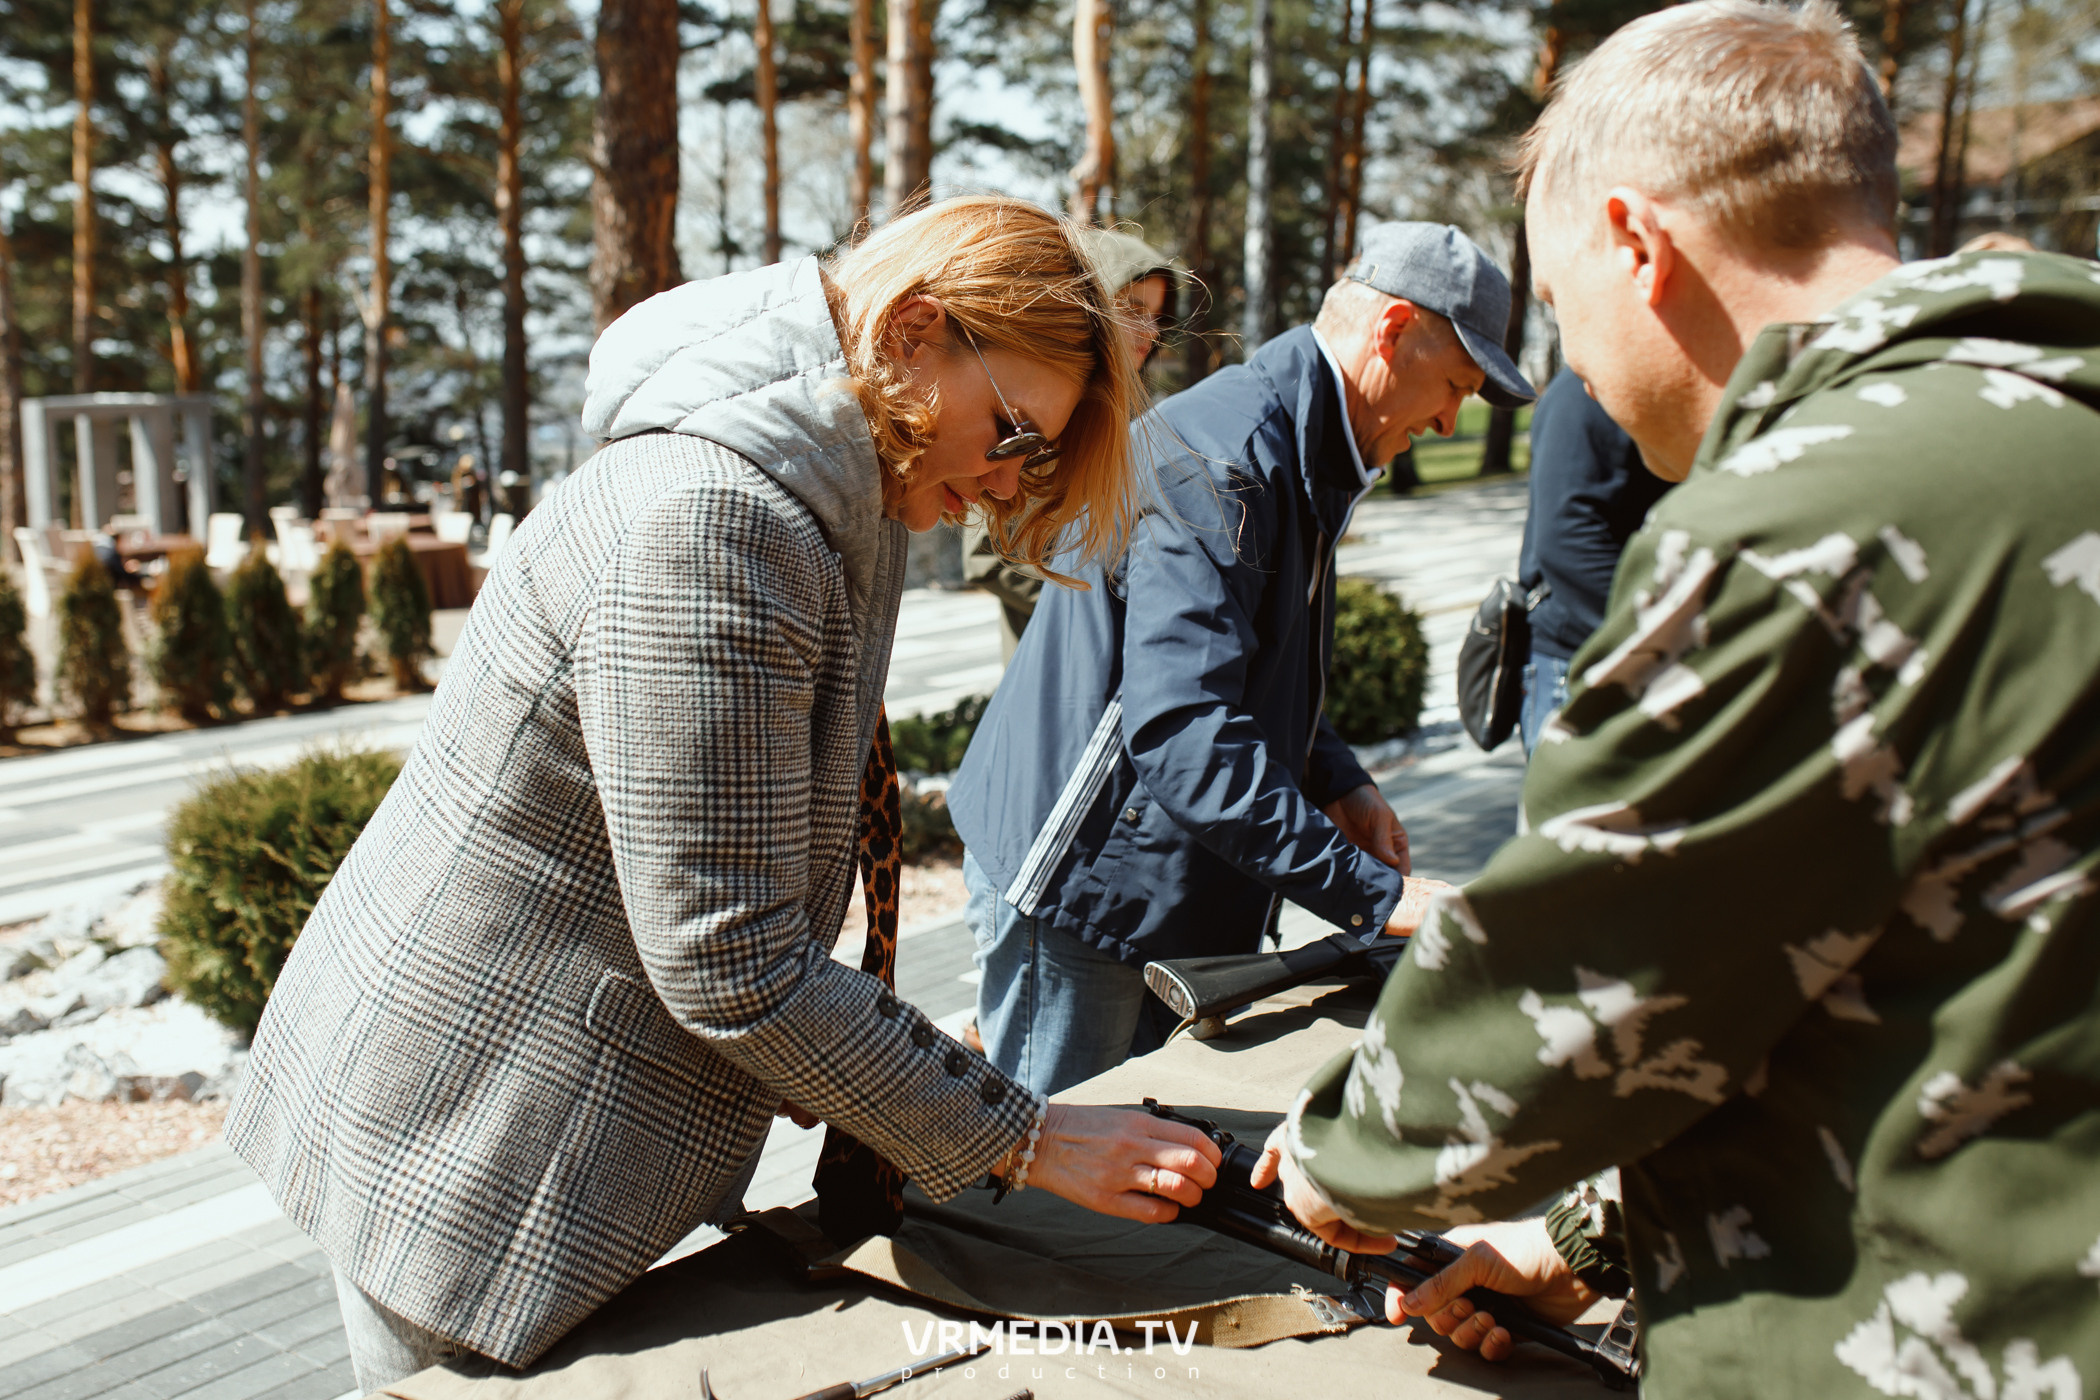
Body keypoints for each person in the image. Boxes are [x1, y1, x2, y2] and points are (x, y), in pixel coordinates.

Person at [224, 197, 1223, 1393]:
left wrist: (874, 1070)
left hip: (522, 1097)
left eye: (1040, 457)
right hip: (473, 1135)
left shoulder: (829, 478)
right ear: (912, 333)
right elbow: (728, 955)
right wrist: (1028, 1133)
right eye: (1014, 433)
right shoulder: (719, 519)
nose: (1010, 484)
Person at [1253, 3, 2100, 1394]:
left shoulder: (1807, 518)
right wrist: (1587, 1238)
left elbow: (1579, 973)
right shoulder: (2049, 415)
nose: (1571, 369)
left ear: (1637, 245)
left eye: (1561, 305)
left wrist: (1345, 1157)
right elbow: (1898, 944)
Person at [948, 222, 1536, 1096]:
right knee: (1049, 1163)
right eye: (1455, 385)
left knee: (1131, 1149)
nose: (1451, 419)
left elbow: (1250, 662)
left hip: (1141, 880)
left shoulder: (1298, 441)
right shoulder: (1228, 460)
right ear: (1393, 331)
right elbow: (1183, 730)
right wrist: (1373, 895)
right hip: (1080, 883)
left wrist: (1337, 777)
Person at [962, 227, 1183, 662]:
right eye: (1133, 309)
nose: (1149, 331)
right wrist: (1101, 604)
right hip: (1050, 666)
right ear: (1090, 305)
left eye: (1158, 317)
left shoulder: (1139, 417)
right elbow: (986, 558)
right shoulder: (1035, 407)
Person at [1514, 369, 1673, 753]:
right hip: (1578, 660)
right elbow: (1569, 540)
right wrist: (1658, 640)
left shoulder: (1635, 386)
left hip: (1623, 653)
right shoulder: (1582, 394)